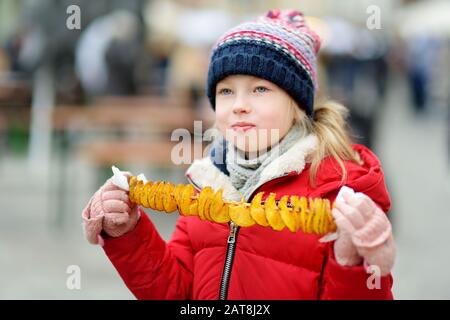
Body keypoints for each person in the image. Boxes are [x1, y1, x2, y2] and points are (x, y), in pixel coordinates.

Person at [82, 9, 396, 300]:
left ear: (299, 105)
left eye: (260, 89)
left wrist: (356, 265)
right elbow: (175, 290)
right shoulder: (207, 181)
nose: (239, 104)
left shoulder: (339, 192)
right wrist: (129, 235)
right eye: (226, 91)